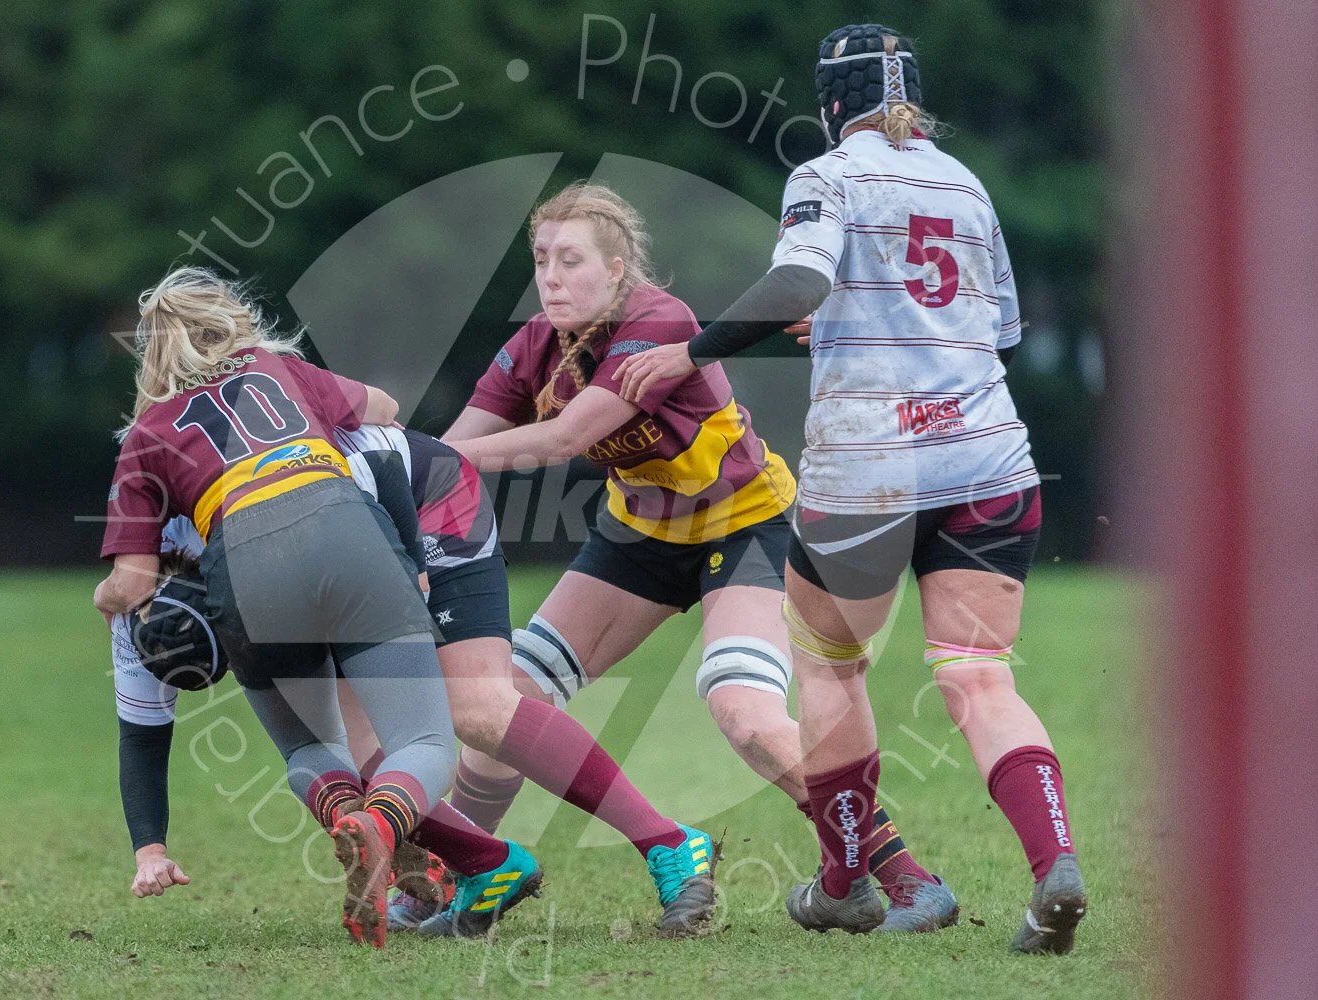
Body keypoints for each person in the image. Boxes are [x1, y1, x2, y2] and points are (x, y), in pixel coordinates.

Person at [615, 24, 1086, 954]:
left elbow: (798, 277)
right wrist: (851, 318)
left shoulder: (827, 174)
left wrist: (691, 346)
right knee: (979, 677)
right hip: (989, 460)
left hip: (869, 466)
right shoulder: (965, 181)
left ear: (832, 100)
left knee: (832, 665)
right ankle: (1052, 868)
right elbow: (994, 331)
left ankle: (842, 880)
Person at [443, 182, 956, 932]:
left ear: (617, 269)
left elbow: (562, 439)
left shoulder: (658, 320)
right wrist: (395, 464)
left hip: (747, 528)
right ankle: (463, 871)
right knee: (502, 702)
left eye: (571, 261)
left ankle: (903, 877)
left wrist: (420, 462)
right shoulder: (533, 347)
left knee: (744, 711)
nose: (551, 278)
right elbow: (457, 443)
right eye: (542, 260)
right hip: (639, 539)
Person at [113, 424, 722, 939]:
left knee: (474, 704)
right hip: (324, 556)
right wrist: (151, 850)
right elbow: (141, 730)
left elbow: (378, 457)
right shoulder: (131, 593)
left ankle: (667, 841)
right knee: (353, 754)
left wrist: (411, 571)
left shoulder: (221, 492)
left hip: (416, 497)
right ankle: (488, 865)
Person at [93, 265, 495, 948]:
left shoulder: (144, 437)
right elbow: (387, 410)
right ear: (233, 322)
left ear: (153, 354)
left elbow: (130, 586)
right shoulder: (280, 369)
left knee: (309, 747)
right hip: (343, 530)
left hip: (242, 571)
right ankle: (383, 823)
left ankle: (348, 813)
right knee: (423, 741)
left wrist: (104, 597)